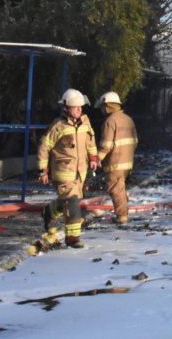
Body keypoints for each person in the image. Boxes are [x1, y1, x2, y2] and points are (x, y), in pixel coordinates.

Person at [38, 88, 100, 248]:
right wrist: (43, 170)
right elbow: (44, 147)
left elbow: (90, 142)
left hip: (80, 172)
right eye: (75, 107)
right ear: (66, 108)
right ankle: (73, 238)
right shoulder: (58, 126)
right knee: (73, 204)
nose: (79, 110)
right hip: (64, 172)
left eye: (80, 107)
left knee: (68, 201)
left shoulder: (85, 122)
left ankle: (49, 212)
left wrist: (93, 158)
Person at [95, 90, 138, 227]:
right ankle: (123, 211)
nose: (102, 110)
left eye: (103, 107)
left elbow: (106, 145)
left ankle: (121, 216)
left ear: (108, 106)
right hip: (127, 162)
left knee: (115, 189)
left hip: (115, 162)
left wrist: (97, 158)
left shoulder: (110, 121)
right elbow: (135, 141)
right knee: (120, 188)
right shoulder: (128, 119)